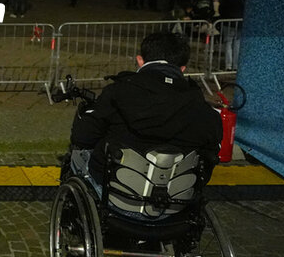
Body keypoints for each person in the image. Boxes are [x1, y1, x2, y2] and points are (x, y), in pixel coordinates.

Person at [68, 31, 222, 193]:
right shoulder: (201, 107)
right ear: (182, 69)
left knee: (78, 157)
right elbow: (211, 152)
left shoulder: (118, 92)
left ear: (140, 61)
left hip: (116, 192)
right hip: (177, 197)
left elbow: (83, 137)